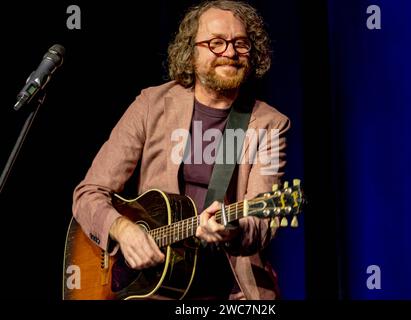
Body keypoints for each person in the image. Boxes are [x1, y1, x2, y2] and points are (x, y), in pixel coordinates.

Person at [73, 0, 290, 300]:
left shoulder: (268, 124)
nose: (230, 52)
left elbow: (262, 222)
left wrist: (233, 229)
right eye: (216, 43)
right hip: (151, 288)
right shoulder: (152, 105)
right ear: (191, 51)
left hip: (229, 292)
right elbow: (89, 193)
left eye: (240, 44)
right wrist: (123, 229)